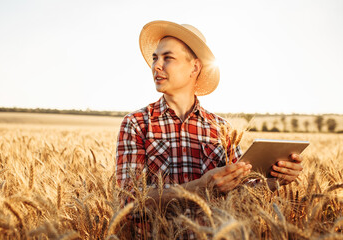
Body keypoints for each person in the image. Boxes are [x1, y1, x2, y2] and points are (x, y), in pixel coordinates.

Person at [115, 20, 303, 238]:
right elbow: (129, 203)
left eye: (168, 58)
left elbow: (241, 195)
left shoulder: (222, 129)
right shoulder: (136, 124)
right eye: (155, 58)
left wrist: (274, 180)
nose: (156, 65)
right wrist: (201, 187)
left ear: (194, 67)